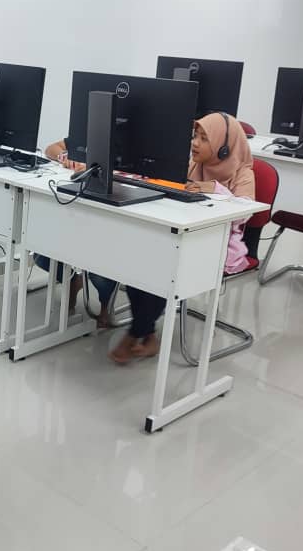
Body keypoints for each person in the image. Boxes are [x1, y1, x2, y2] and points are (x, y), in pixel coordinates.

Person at [109, 112, 255, 364]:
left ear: (223, 147)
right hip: (181, 236)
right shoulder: (193, 166)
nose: (194, 143)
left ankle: (135, 333)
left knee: (162, 269)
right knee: (138, 263)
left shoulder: (243, 173)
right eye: (194, 136)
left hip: (217, 246)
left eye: (204, 138)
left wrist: (214, 188)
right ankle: (148, 332)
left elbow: (245, 211)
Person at [34, 137, 118, 327]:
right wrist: (65, 157)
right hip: (79, 201)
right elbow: (51, 148)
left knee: (100, 268)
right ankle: (73, 280)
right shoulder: (90, 131)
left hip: (111, 212)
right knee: (41, 253)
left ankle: (106, 306)